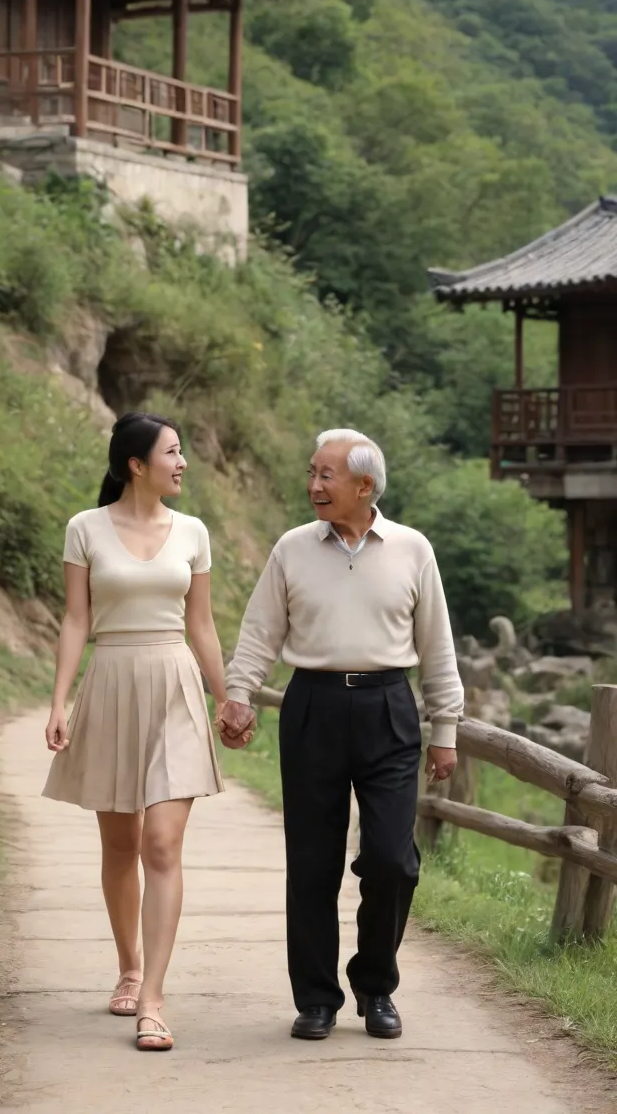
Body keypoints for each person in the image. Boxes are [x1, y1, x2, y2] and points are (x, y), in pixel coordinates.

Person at [219, 428, 464, 1042]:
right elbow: (259, 631)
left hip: (388, 706)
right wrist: (239, 696)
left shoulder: (412, 549)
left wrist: (446, 727)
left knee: (391, 861)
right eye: (311, 473)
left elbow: (436, 643)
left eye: (326, 475)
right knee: (311, 863)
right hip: (314, 706)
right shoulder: (292, 549)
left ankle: (376, 985)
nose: (313, 486)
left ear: (364, 484)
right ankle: (317, 1000)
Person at [42, 410, 241, 1052]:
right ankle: (127, 964)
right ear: (136, 464)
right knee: (120, 844)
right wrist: (59, 702)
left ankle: (152, 998)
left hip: (175, 684)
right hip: (112, 683)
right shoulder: (85, 529)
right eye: (173, 453)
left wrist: (228, 697)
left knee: (161, 843)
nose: (183, 463)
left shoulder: (194, 532)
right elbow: (76, 620)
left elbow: (203, 625)